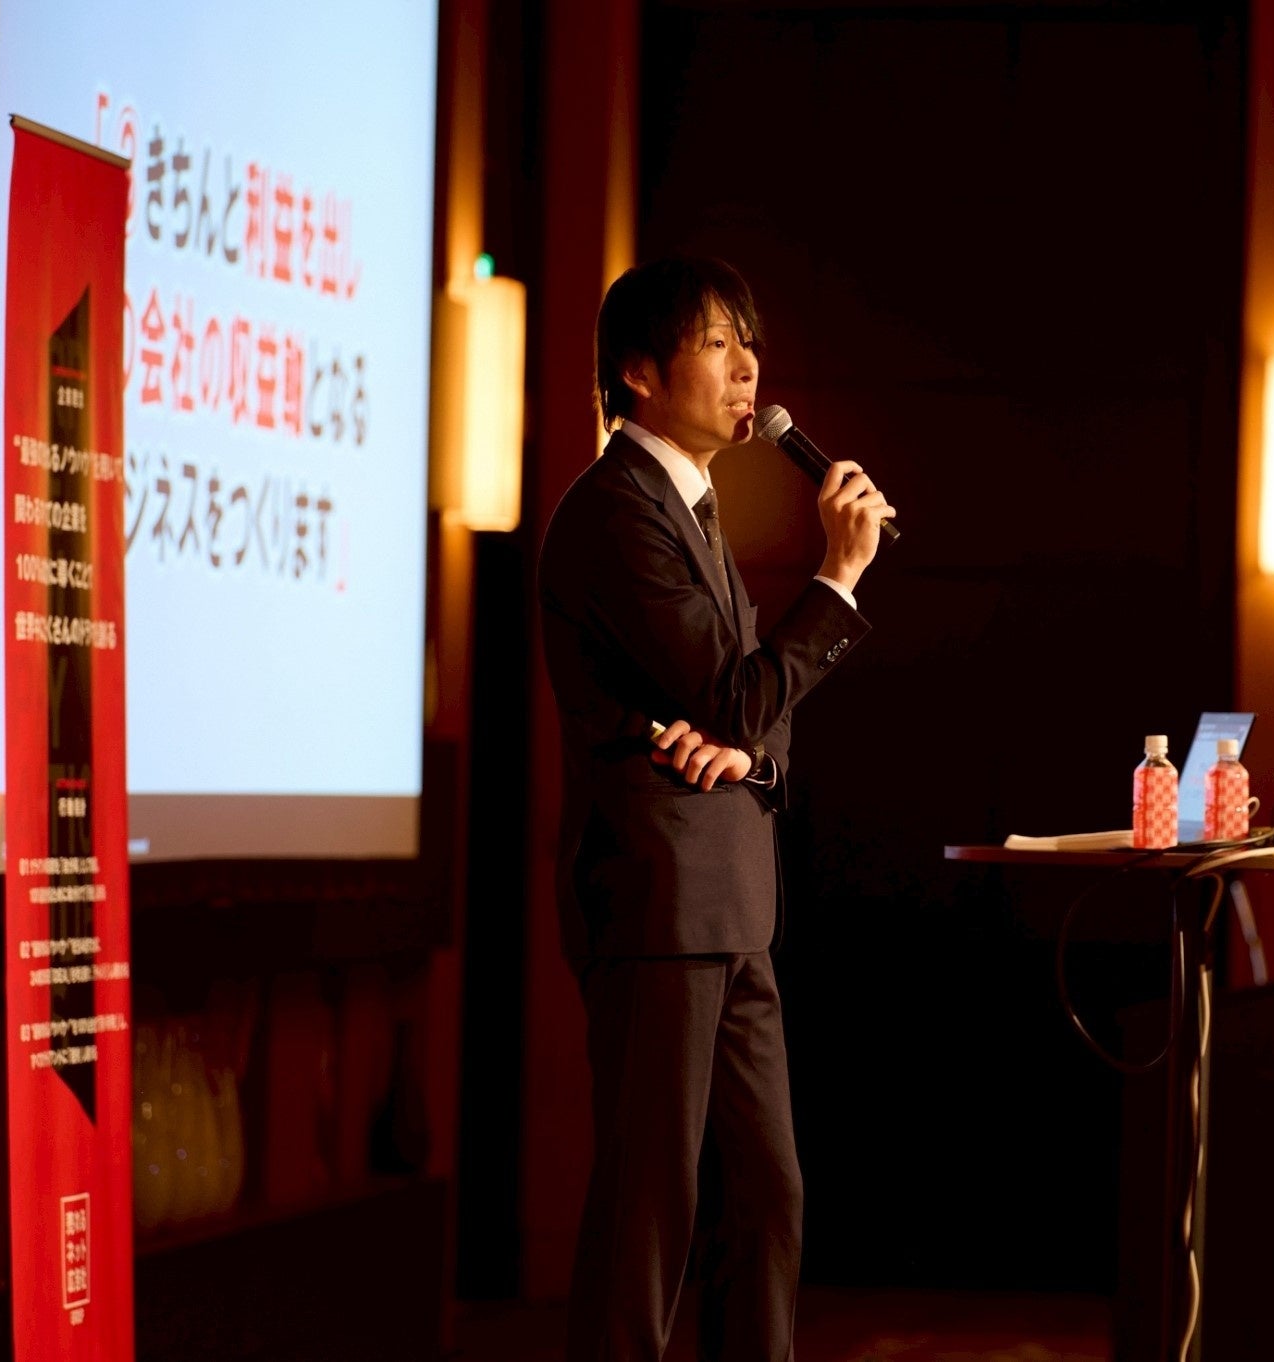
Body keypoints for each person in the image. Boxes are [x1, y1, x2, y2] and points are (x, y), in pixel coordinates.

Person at [536, 256, 895, 1360]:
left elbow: (752, 715)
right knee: (650, 1212)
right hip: (657, 904)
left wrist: (746, 754)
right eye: (716, 344)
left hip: (732, 905)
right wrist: (836, 579)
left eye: (750, 345)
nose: (747, 370)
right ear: (639, 372)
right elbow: (742, 693)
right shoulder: (614, 513)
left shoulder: (690, 508)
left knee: (766, 1198)